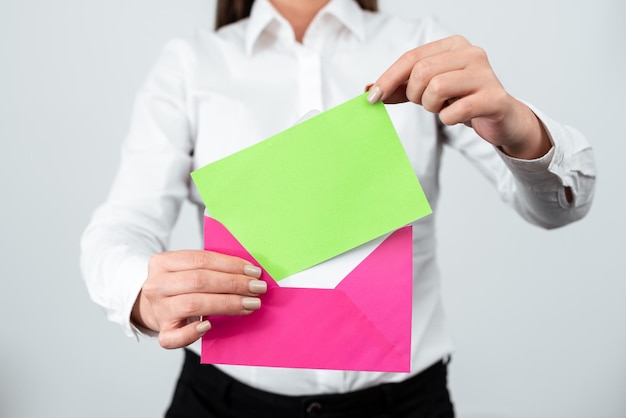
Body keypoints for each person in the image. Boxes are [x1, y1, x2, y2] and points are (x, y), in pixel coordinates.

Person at [80, 0, 596, 416]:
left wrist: (521, 128)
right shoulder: (192, 62)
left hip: (405, 404)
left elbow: (558, 209)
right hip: (222, 402)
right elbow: (125, 221)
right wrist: (140, 291)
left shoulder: (417, 42)